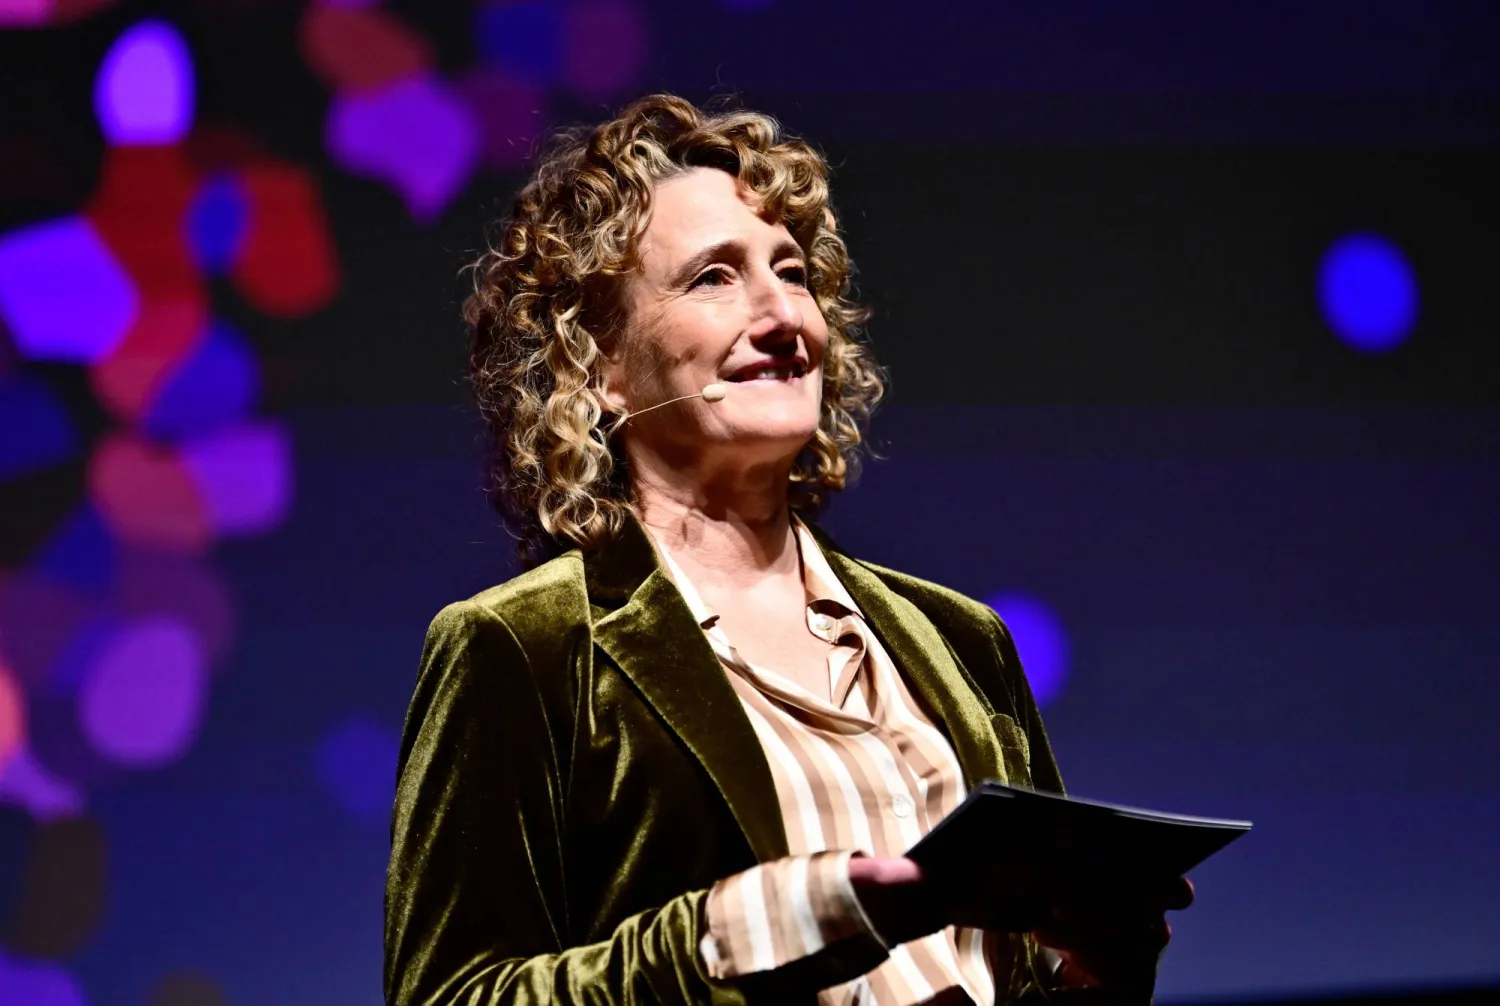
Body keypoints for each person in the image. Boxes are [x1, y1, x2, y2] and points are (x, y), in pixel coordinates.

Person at [384, 94, 1194, 1006]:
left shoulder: (960, 640)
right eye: (713, 279)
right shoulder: (523, 648)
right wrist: (759, 928)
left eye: (794, 272)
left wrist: (1102, 976)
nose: (783, 318)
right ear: (600, 366)